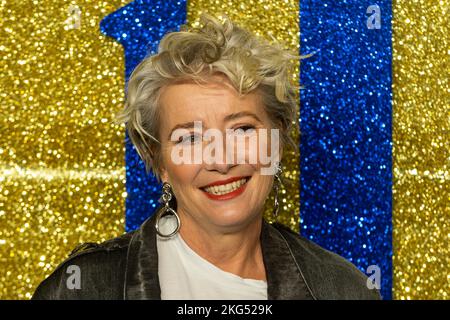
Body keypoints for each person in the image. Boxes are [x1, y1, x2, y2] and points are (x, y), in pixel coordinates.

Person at [32, 14, 380, 300]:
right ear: (160, 163)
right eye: (191, 138)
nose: (221, 160)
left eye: (242, 130)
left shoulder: (343, 288)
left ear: (276, 142)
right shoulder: (82, 289)